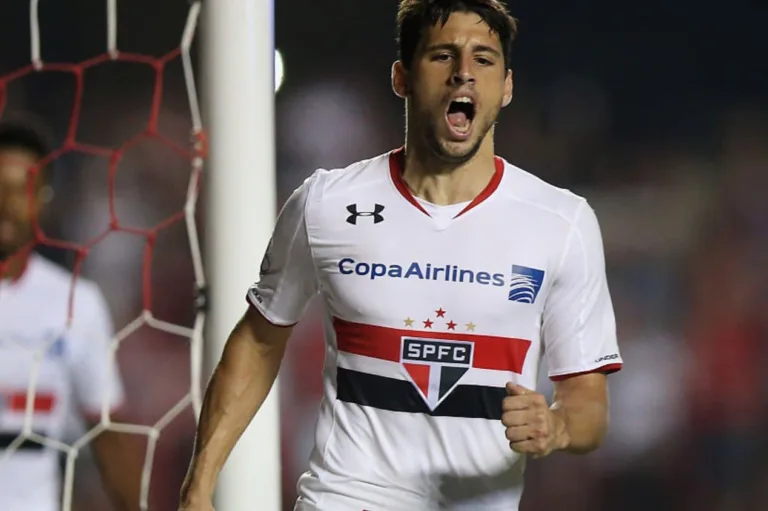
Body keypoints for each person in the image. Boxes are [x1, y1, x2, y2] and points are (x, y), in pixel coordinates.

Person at [179, 0, 623, 509]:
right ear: (402, 77)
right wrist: (198, 487)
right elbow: (258, 341)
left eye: (483, 59)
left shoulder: (561, 223)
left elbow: (589, 403)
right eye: (442, 56)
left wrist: (558, 425)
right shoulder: (326, 203)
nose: (463, 74)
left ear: (506, 87)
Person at [0, 119, 143, 511]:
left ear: (43, 197)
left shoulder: (75, 303)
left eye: (22, 188)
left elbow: (108, 436)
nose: (6, 201)